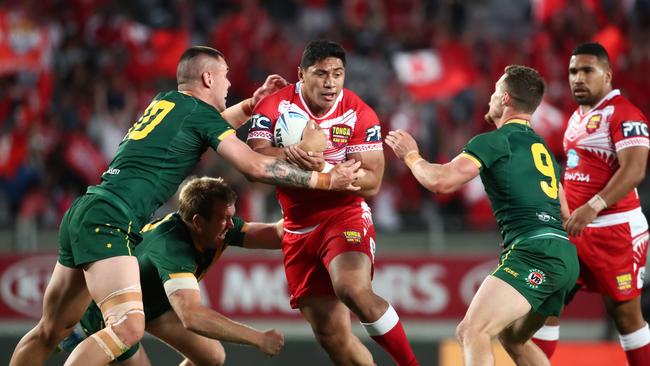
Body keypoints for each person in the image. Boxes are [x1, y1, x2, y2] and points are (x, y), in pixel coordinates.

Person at [10, 45, 361, 366]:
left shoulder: (168, 103)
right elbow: (255, 166)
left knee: (49, 331)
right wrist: (326, 180)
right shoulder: (197, 114)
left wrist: (253, 105)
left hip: (88, 208)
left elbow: (208, 130)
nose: (228, 85)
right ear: (208, 77)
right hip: (111, 219)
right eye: (224, 77)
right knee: (128, 329)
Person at [386, 65, 579, 365]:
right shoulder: (542, 150)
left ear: (504, 99)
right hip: (564, 256)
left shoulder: (494, 141)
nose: (489, 98)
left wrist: (411, 155)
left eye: (494, 91)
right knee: (513, 338)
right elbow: (565, 213)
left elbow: (440, 181)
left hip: (533, 253)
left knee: (471, 330)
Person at [247, 40, 419, 366]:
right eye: (321, 73)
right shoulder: (275, 106)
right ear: (301, 74)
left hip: (344, 213)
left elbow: (372, 182)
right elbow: (255, 161)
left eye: (338, 74)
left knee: (352, 288)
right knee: (332, 337)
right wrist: (296, 156)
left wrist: (322, 168)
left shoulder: (358, 113)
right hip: (297, 226)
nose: (330, 83)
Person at [59, 176, 285, 365]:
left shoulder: (215, 228)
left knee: (212, 356)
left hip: (151, 303)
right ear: (197, 222)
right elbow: (192, 316)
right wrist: (259, 338)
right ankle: (83, 330)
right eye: (224, 219)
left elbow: (275, 234)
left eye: (231, 216)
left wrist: (313, 216)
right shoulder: (172, 248)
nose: (232, 225)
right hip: (114, 311)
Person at [531, 42, 650, 365]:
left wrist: (593, 206)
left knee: (625, 317)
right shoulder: (578, 117)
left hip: (616, 233)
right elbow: (575, 170)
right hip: (574, 232)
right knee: (545, 305)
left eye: (586, 70)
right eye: (572, 72)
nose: (577, 78)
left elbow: (635, 169)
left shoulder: (624, 113)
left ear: (607, 75)